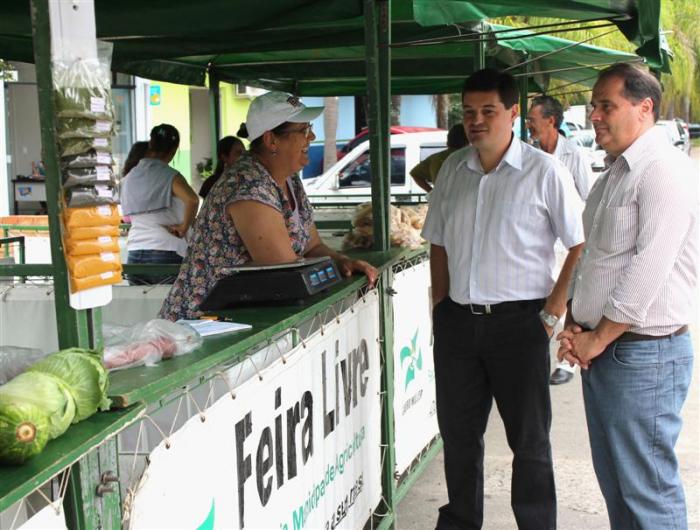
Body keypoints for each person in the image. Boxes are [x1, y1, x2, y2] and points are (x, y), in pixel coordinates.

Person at [421, 68, 585, 530]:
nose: (477, 121)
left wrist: (555, 307)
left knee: (529, 442)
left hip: (519, 325)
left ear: (514, 113)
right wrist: (440, 307)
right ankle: (460, 522)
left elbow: (579, 243)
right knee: (458, 436)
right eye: (469, 112)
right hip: (457, 323)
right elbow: (438, 242)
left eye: (488, 111)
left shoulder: (544, 171)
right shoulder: (452, 168)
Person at [557, 63, 698, 530]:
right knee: (619, 486)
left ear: (644, 107)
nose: (594, 114)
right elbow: (596, 256)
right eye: (594, 105)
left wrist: (598, 338)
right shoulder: (616, 172)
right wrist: (577, 322)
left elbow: (649, 267)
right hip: (609, 351)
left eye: (606, 105)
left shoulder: (662, 171)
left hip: (643, 355)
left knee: (646, 493)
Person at [159, 91, 378, 321]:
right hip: (201, 327)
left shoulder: (289, 179)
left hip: (238, 321)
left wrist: (344, 262)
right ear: (271, 140)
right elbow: (285, 271)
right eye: (303, 130)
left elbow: (312, 247)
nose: (312, 137)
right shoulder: (247, 185)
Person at [526, 95, 592, 385]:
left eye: (532, 119)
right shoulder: (528, 154)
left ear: (550, 121)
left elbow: (589, 197)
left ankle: (567, 364)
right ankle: (538, 358)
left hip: (571, 239)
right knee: (546, 302)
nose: (528, 125)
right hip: (542, 240)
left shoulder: (573, 154)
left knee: (568, 299)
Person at [121, 124, 199, 285]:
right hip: (166, 250)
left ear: (150, 144)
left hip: (135, 253)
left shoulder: (130, 177)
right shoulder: (170, 175)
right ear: (175, 149)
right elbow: (192, 200)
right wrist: (184, 227)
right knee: (173, 308)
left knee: (141, 308)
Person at [409, 124, 468, 193]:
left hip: (440, 200)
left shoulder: (435, 158)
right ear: (467, 138)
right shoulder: (470, 156)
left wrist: (431, 192)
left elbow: (414, 173)